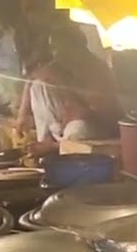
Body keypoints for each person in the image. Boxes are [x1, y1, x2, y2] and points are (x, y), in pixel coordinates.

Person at [24, 23, 119, 157]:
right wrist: (22, 115)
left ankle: (53, 148)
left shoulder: (96, 69)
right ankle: (45, 141)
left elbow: (98, 114)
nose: (56, 52)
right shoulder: (61, 63)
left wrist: (61, 84)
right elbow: (33, 78)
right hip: (67, 122)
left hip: (95, 126)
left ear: (78, 46)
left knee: (76, 129)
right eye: (53, 48)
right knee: (39, 86)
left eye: (60, 47)